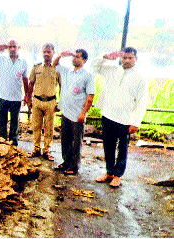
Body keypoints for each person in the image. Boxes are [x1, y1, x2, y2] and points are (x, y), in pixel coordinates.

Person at [92, 47, 149, 187]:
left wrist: (135, 122)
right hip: (108, 114)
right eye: (124, 57)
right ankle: (109, 172)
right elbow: (94, 65)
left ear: (136, 59)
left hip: (125, 119)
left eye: (130, 58)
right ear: (120, 57)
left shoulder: (140, 77)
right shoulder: (112, 70)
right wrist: (105, 56)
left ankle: (117, 175)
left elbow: (141, 102)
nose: (127, 60)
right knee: (108, 146)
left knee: (122, 148)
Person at [52, 49, 95, 175]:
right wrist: (60, 55)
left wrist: (84, 113)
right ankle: (66, 161)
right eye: (74, 56)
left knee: (76, 142)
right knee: (65, 139)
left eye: (78, 57)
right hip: (66, 111)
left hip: (77, 115)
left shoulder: (87, 76)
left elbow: (90, 96)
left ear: (84, 60)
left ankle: (74, 166)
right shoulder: (67, 71)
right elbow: (54, 65)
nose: (74, 58)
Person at [0, 39, 29, 146]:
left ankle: (13, 143)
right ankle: (2, 142)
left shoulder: (24, 61)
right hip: (2, 96)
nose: (12, 49)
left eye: (14, 46)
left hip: (16, 97)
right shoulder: (1, 58)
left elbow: (25, 79)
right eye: (10, 47)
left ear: (19, 47)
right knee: (1, 122)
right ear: (7, 48)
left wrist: (27, 95)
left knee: (14, 122)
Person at [26, 43, 61, 161]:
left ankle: (46, 150)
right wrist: (28, 97)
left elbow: (62, 86)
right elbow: (31, 83)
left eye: (49, 52)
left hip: (50, 102)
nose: (46, 54)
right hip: (37, 101)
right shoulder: (36, 67)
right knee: (36, 126)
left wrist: (60, 102)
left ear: (53, 53)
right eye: (44, 52)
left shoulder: (57, 68)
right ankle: (36, 149)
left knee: (49, 127)